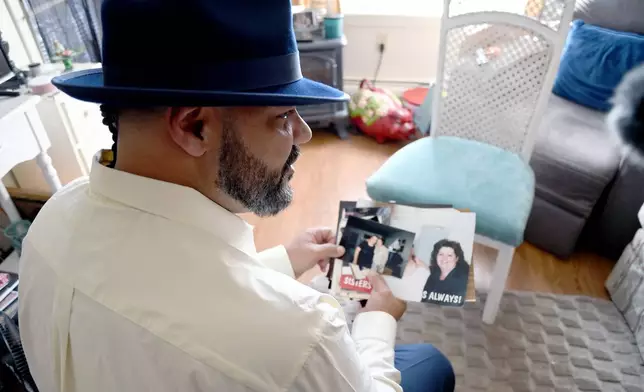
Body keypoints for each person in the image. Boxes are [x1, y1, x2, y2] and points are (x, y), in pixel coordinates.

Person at [18, 1, 455, 392]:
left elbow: (171, 292)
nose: (302, 132)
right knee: (431, 364)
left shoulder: (54, 219)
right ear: (194, 127)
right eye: (283, 115)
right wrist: (379, 318)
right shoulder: (297, 338)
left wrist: (284, 259)